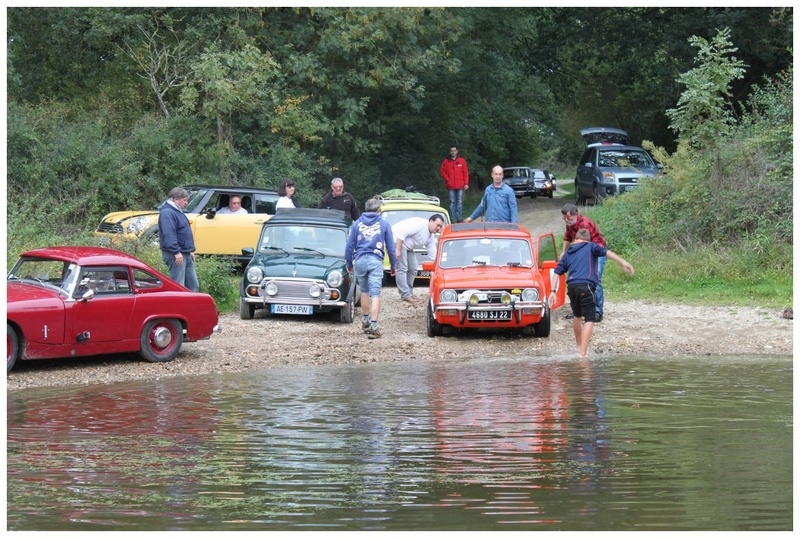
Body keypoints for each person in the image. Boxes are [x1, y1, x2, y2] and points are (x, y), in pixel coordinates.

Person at [549, 228, 634, 358]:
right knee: (589, 318)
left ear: (576, 239)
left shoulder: (568, 252)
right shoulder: (591, 247)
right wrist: (623, 262)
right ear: (588, 240)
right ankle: (583, 353)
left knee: (577, 316)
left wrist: (552, 291)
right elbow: (607, 253)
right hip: (586, 286)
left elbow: (557, 271)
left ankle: (578, 347)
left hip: (571, 286)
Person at [345, 197, 397, 339]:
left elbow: (349, 246)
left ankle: (366, 320)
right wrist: (394, 266)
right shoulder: (384, 224)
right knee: (375, 294)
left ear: (366, 209)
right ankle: (374, 327)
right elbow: (391, 248)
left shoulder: (356, 224)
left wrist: (349, 264)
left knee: (364, 291)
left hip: (360, 260)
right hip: (375, 260)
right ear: (378, 210)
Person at [560, 203, 607, 321]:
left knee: (596, 279)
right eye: (564, 218)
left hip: (596, 250)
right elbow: (567, 238)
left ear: (576, 215)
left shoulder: (583, 225)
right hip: (583, 249)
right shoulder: (570, 224)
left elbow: (584, 244)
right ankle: (578, 312)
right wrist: (563, 252)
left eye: (569, 218)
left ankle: (597, 312)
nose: (566, 220)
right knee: (578, 279)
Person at [392, 215, 445, 304]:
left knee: (413, 268)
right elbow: (401, 232)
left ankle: (409, 292)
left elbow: (433, 255)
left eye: (440, 226)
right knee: (403, 267)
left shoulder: (430, 237)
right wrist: (397, 250)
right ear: (431, 221)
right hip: (396, 239)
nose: (438, 228)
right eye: (437, 225)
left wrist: (439, 267)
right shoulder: (419, 224)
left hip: (408, 246)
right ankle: (405, 295)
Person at [158, 186, 199, 292]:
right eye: (184, 200)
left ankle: (191, 307)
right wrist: (176, 251)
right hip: (175, 254)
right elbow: (169, 234)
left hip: (185, 253)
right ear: (175, 199)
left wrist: (189, 251)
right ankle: (176, 308)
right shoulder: (167, 212)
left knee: (192, 285)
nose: (186, 203)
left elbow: (182, 232)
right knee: (178, 286)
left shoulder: (176, 210)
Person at [440, 146, 469, 223]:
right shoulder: (446, 161)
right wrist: (448, 179)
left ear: (457, 151)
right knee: (452, 202)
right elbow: (442, 171)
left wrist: (466, 183)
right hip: (451, 185)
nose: (453, 152)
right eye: (451, 151)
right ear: (450, 152)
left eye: (454, 150)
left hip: (460, 185)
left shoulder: (461, 161)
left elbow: (465, 172)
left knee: (459, 201)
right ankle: (452, 219)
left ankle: (459, 218)